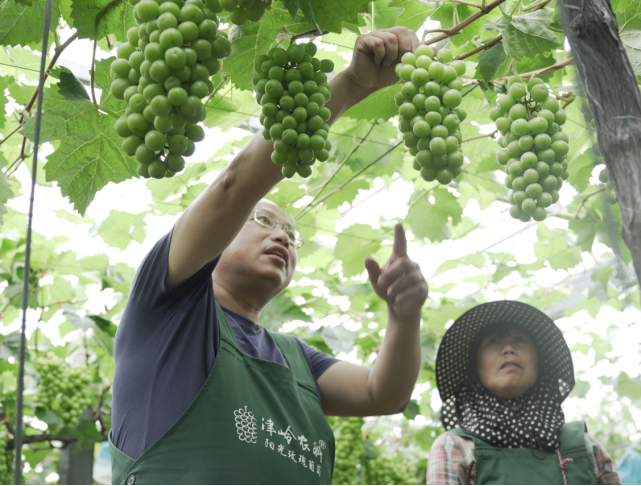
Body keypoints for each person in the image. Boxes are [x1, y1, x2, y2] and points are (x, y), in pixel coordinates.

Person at [110, 27, 428, 485]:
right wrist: (354, 86)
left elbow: (383, 395)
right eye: (263, 220)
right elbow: (233, 187)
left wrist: (404, 316)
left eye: (291, 233)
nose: (282, 235)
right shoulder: (167, 305)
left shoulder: (297, 358)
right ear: (220, 234)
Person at [427, 301, 621, 485]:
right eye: (494, 341)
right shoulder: (455, 447)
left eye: (520, 340)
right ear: (473, 371)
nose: (509, 349)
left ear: (539, 364)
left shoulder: (584, 446)